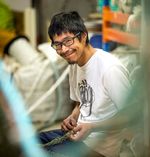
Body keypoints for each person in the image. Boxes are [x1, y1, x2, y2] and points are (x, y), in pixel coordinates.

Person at [38, 11, 132, 157]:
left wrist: (92, 127)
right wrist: (73, 117)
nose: (64, 50)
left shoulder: (109, 69)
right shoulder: (74, 64)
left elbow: (132, 114)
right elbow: (82, 103)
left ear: (83, 36)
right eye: (57, 44)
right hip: (78, 139)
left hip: (99, 150)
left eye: (68, 41)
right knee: (28, 143)